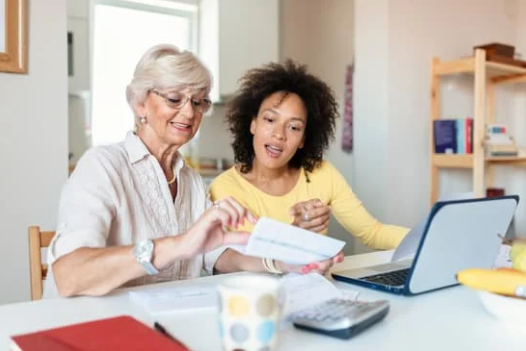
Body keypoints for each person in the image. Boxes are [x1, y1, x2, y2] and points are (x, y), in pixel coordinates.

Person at [44, 44, 256, 298]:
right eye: (174, 99)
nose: (189, 112)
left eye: (198, 102)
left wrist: (275, 263)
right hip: (96, 325)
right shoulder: (102, 166)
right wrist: (176, 246)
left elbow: (213, 253)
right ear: (141, 104)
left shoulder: (191, 181)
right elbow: (70, 276)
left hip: (162, 323)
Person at [210, 59, 409, 276]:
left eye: (294, 127)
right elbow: (237, 261)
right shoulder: (224, 188)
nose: (279, 134)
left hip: (318, 296)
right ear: (253, 124)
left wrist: (431, 238)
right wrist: (297, 234)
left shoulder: (322, 174)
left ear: (304, 139)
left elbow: (373, 233)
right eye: (270, 120)